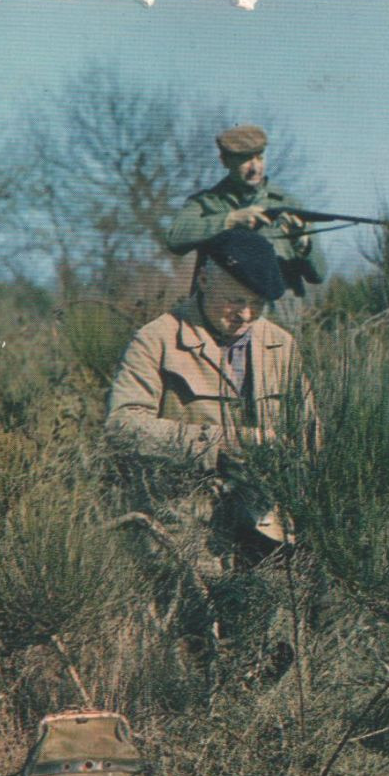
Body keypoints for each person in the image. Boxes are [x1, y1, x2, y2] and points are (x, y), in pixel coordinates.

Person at [107, 228, 318, 581]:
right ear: (203, 279)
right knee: (195, 634)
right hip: (185, 533)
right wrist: (218, 445)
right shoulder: (156, 340)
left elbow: (310, 434)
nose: (246, 314)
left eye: (258, 303)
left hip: (268, 530)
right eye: (235, 300)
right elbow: (122, 428)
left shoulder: (282, 345)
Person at [165, 124, 326, 298]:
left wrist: (303, 245)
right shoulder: (205, 203)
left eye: (260, 158)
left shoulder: (290, 204)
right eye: (246, 160)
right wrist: (230, 220)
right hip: (219, 310)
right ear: (225, 160)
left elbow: (318, 274)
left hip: (278, 313)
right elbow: (174, 239)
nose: (255, 168)